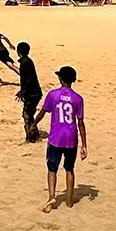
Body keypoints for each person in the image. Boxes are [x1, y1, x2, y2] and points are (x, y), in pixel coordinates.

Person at [38, 66, 87, 213]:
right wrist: (84, 145)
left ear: (60, 79)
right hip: (71, 138)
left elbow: (43, 112)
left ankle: (52, 197)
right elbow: (80, 122)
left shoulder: (53, 95)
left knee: (52, 168)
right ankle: (70, 202)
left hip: (55, 137)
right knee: (69, 169)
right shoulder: (78, 98)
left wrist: (34, 124)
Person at [16, 42, 43, 143]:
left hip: (32, 94)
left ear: (18, 52)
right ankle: (35, 135)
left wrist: (22, 91)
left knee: (27, 115)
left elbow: (28, 79)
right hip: (34, 93)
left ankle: (31, 138)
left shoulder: (24, 63)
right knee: (29, 115)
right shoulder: (27, 61)